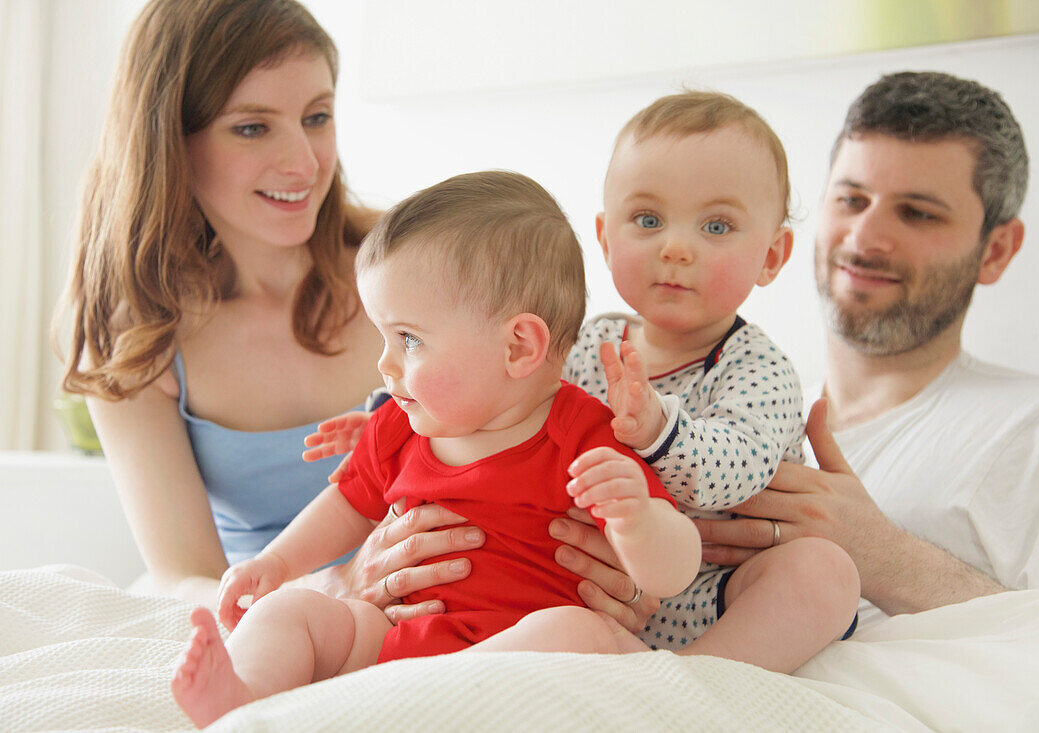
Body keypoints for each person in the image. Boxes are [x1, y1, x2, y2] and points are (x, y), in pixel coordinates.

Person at [309, 92, 861, 669]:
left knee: (823, 572)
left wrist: (655, 429)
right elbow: (496, 393)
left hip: (711, 588)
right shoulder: (585, 344)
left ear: (772, 257)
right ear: (604, 237)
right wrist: (392, 413)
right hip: (577, 597)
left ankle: (696, 692)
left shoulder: (759, 367)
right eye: (647, 220)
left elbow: (739, 467)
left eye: (716, 226)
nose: (675, 248)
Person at [171, 170, 701, 727]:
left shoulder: (582, 435)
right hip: (398, 640)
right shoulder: (399, 426)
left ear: (518, 347)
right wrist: (275, 563)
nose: (384, 363)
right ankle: (244, 693)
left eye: (410, 339)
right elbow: (346, 507)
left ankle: (415, 706)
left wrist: (637, 521)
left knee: (581, 632)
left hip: (513, 660)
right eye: (385, 337)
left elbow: (673, 572)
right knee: (293, 612)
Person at [589, 72, 1039, 625]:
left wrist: (885, 557)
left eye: (917, 212)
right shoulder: (729, 402)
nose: (864, 238)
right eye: (852, 199)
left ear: (996, 250)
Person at [54, 0, 492, 609]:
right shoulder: (138, 337)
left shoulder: (417, 263)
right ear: (169, 141)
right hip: (275, 622)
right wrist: (334, 590)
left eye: (317, 117)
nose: (304, 163)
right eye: (253, 127)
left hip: (461, 598)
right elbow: (184, 580)